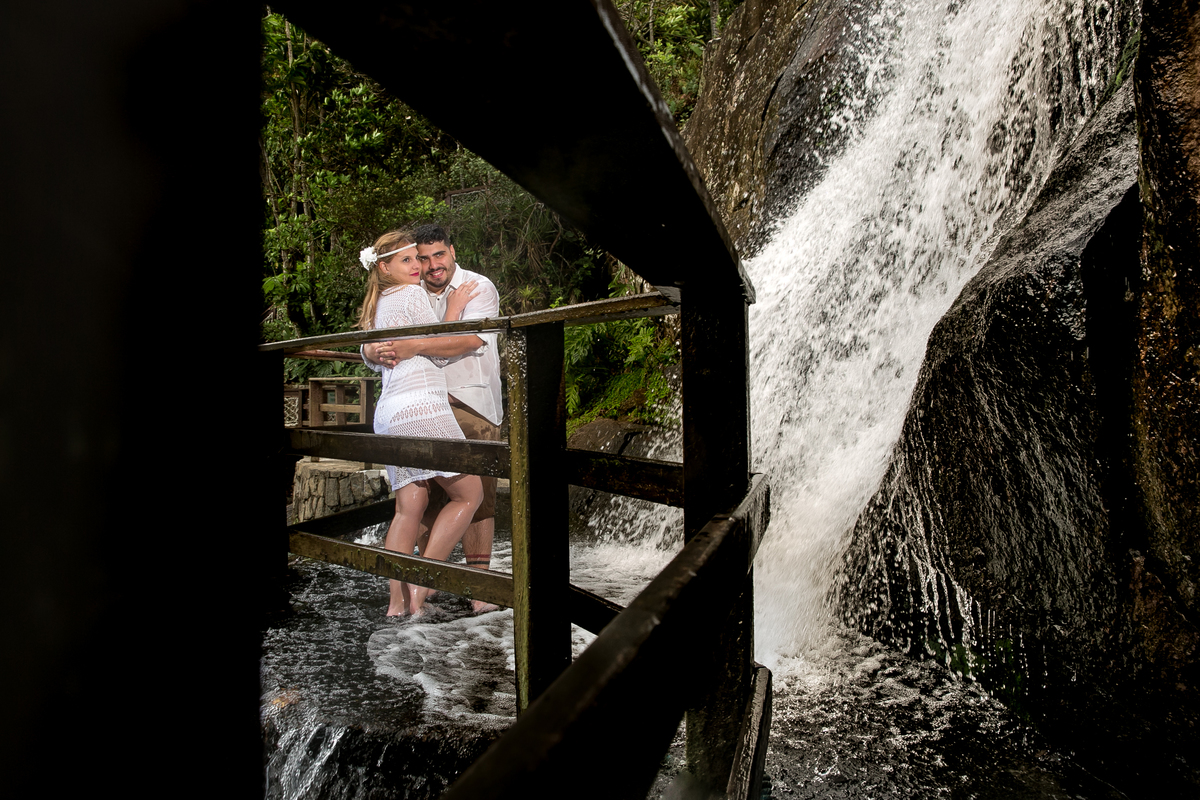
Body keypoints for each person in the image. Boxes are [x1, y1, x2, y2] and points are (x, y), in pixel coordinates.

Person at [364, 224, 503, 614]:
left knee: (439, 501)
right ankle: (422, 591)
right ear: (390, 266)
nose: (427, 264)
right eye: (417, 258)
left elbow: (471, 339)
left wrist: (410, 344)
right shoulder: (412, 288)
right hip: (427, 404)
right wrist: (372, 352)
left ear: (452, 251)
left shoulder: (477, 285)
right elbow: (385, 341)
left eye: (435, 255)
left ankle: (420, 599)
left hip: (465, 402)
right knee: (465, 496)